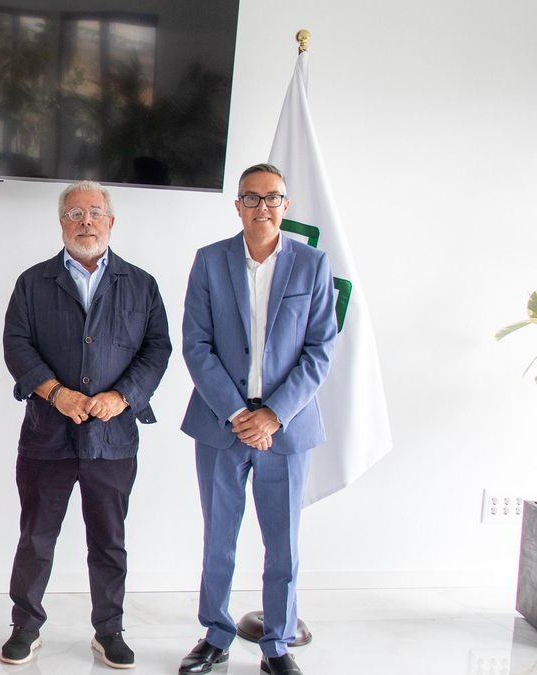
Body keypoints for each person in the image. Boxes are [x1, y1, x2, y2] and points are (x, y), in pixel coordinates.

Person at [0, 180, 171, 669]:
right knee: (36, 536)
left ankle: (109, 630)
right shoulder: (34, 282)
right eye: (74, 214)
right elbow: (16, 344)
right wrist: (56, 392)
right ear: (61, 224)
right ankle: (25, 626)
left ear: (111, 222)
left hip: (113, 439)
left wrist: (122, 397)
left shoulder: (141, 284)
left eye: (95, 212)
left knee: (109, 539)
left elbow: (157, 349)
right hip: (46, 436)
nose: (85, 222)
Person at [177, 163, 337, 675]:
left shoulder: (312, 265)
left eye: (273, 198)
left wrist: (272, 414)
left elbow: (320, 350)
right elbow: (196, 345)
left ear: (285, 206)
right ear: (238, 205)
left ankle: (276, 646)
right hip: (220, 427)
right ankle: (216, 635)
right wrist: (236, 412)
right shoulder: (209, 261)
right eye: (252, 197)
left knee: (283, 541)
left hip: (286, 431)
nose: (262, 206)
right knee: (218, 536)